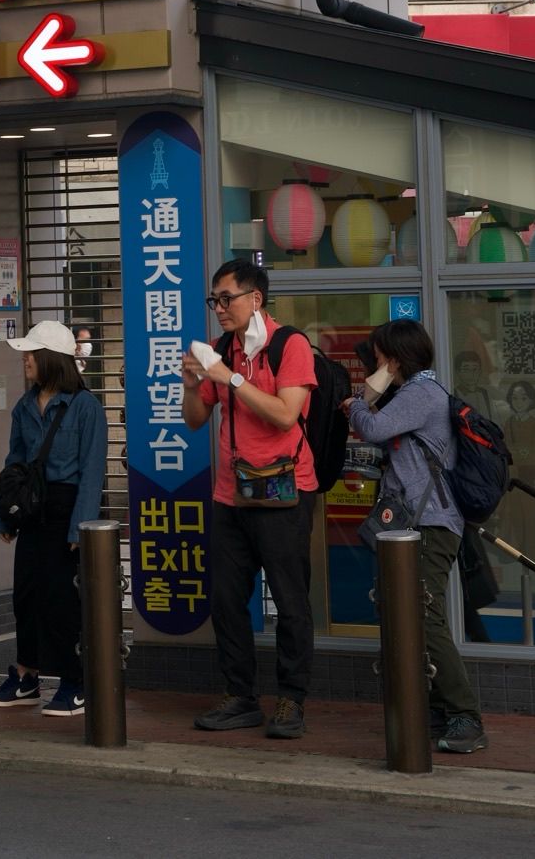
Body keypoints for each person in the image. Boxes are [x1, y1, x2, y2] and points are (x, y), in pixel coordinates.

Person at [181, 258, 318, 739]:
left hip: (285, 490)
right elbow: (196, 420)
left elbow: (285, 415)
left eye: (227, 298)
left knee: (290, 599)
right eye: (213, 300)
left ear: (255, 299)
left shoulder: (290, 345)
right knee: (226, 599)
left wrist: (230, 378)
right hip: (231, 495)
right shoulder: (222, 350)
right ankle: (241, 696)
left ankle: (291, 699)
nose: (219, 308)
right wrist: (194, 380)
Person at [347, 318, 488, 754]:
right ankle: (433, 708)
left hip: (430, 522)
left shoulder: (421, 393)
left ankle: (465, 715)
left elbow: (369, 426)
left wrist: (356, 402)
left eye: (381, 356)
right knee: (406, 615)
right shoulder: (413, 394)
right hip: (410, 525)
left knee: (424, 616)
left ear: (395, 357)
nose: (377, 363)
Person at [0, 320, 106, 718]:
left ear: (51, 359)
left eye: (32, 354)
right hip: (33, 509)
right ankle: (27, 674)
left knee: (62, 599)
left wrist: (80, 528)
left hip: (67, 509)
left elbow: (92, 471)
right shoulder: (24, 405)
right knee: (27, 594)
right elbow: (14, 463)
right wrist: (5, 517)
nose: (25, 361)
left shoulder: (86, 408)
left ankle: (75, 680)